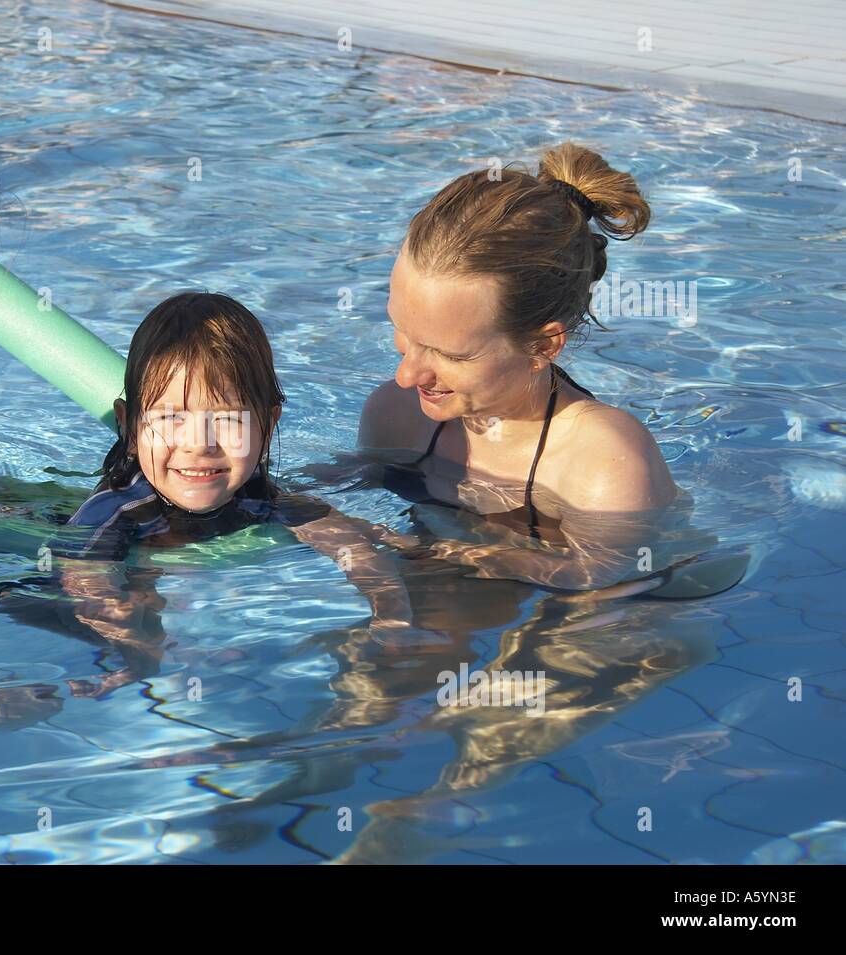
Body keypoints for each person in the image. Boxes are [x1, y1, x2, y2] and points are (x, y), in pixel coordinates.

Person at [49, 292, 424, 693]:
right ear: (128, 425)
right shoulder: (115, 510)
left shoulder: (256, 493)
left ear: (268, 425)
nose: (199, 444)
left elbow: (348, 544)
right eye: (170, 418)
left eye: (228, 419)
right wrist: (126, 635)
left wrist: (392, 616)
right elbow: (81, 576)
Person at [358, 142, 680, 590]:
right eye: (404, 333)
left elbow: (612, 596)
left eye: (451, 355)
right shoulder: (395, 414)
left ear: (543, 346)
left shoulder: (603, 464)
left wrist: (455, 554)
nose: (406, 376)